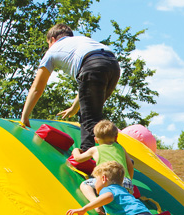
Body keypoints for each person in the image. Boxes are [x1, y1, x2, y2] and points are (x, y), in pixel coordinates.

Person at [21, 24, 120, 153]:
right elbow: (87, 84)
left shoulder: (52, 50)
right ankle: (117, 154)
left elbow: (36, 88)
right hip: (112, 64)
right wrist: (74, 107)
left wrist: (25, 116)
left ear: (52, 39)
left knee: (88, 119)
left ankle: (87, 156)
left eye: (48, 43)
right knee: (95, 116)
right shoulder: (80, 41)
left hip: (92, 65)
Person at [73, 120, 134, 215]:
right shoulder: (121, 148)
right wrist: (129, 180)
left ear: (96, 140)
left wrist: (75, 150)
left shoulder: (95, 149)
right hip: (125, 183)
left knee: (85, 185)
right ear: (116, 137)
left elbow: (78, 159)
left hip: (107, 182)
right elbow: (130, 166)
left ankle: (95, 203)